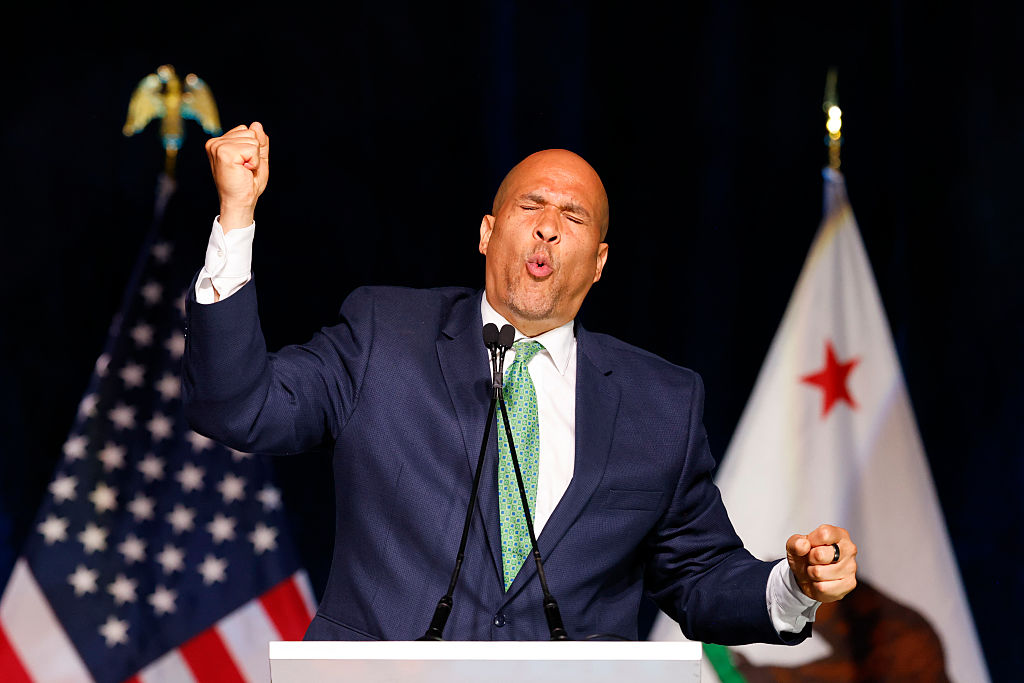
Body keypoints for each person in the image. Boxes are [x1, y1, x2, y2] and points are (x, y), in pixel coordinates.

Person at [184, 122, 858, 642]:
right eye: (531, 205)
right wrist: (236, 216)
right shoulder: (383, 335)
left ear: (597, 264)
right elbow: (239, 408)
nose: (546, 226)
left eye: (573, 217)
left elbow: (701, 576)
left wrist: (794, 583)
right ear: (487, 231)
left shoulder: (663, 404)